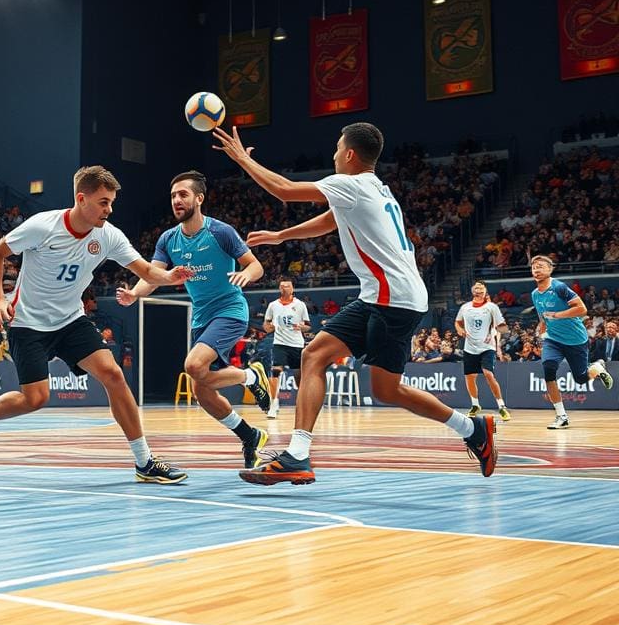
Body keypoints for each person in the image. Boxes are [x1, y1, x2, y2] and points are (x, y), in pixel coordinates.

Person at [212, 121, 498, 484]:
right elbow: (331, 220)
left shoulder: (351, 184)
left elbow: (284, 190)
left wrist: (241, 159)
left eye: (336, 148)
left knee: (383, 388)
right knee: (315, 356)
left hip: (393, 298)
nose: (332, 155)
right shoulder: (375, 188)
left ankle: (471, 428)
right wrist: (282, 236)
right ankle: (298, 455)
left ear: (349, 154)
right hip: (385, 295)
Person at [0, 165, 192, 483]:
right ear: (82, 199)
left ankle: (144, 461)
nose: (110, 209)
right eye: (104, 202)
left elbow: (147, 271)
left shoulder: (109, 235)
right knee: (35, 399)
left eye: (112, 202)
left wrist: (169, 277)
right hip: (28, 323)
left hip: (70, 320)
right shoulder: (43, 226)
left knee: (114, 375)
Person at [117, 170, 270, 468]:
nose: (177, 200)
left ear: (199, 199)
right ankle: (249, 435)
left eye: (183, 194)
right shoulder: (168, 239)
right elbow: (153, 275)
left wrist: (245, 274)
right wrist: (135, 293)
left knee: (193, 366)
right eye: (173, 195)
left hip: (229, 310)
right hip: (201, 318)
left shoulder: (220, 232)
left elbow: (256, 266)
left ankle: (251, 376)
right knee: (202, 391)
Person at [529, 255, 613, 430]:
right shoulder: (535, 294)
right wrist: (543, 331)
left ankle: (596, 367)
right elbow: (542, 315)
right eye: (534, 267)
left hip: (575, 339)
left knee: (581, 378)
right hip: (553, 339)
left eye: (541, 266)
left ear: (550, 269)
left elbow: (582, 309)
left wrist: (558, 315)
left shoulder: (559, 287)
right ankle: (561, 416)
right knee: (548, 369)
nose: (536, 270)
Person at [455, 282, 510, 421]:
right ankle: (475, 405)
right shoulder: (465, 307)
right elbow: (457, 322)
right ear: (473, 291)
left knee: (488, 374)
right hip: (469, 347)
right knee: (470, 377)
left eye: (481, 288)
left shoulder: (492, 307)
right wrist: (459, 329)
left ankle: (502, 406)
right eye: (476, 287)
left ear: (486, 292)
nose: (478, 289)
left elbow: (501, 326)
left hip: (487, 347)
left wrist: (502, 333)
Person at [263, 279, 310, 419]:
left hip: (296, 344)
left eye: (287, 286)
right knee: (276, 371)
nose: (284, 288)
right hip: (280, 343)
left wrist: (302, 327)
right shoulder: (273, 305)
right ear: (279, 288)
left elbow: (308, 325)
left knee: (298, 375)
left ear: (292, 288)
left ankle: (302, 403)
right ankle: (274, 403)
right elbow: (266, 325)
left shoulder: (300, 305)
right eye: (282, 286)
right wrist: (269, 328)